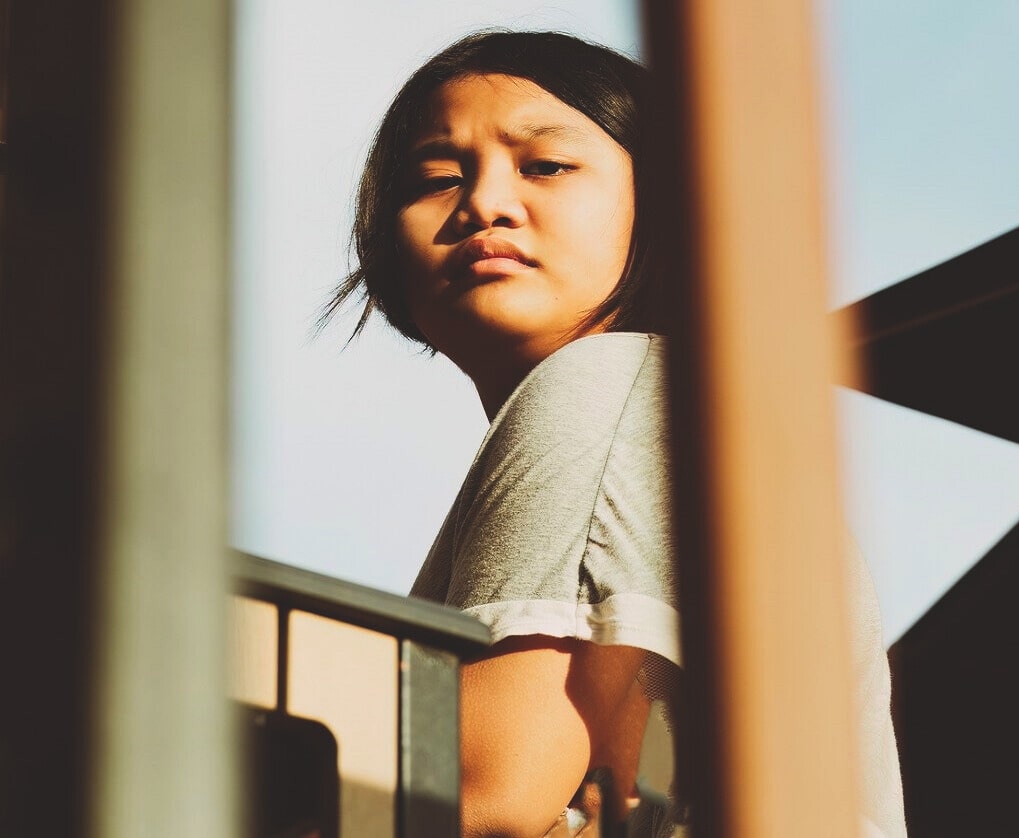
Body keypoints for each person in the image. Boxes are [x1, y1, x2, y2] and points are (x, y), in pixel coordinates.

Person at [323, 29, 907, 838]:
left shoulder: (607, 384)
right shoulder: (676, 421)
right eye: (436, 178)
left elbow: (483, 802)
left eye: (545, 166)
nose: (485, 204)